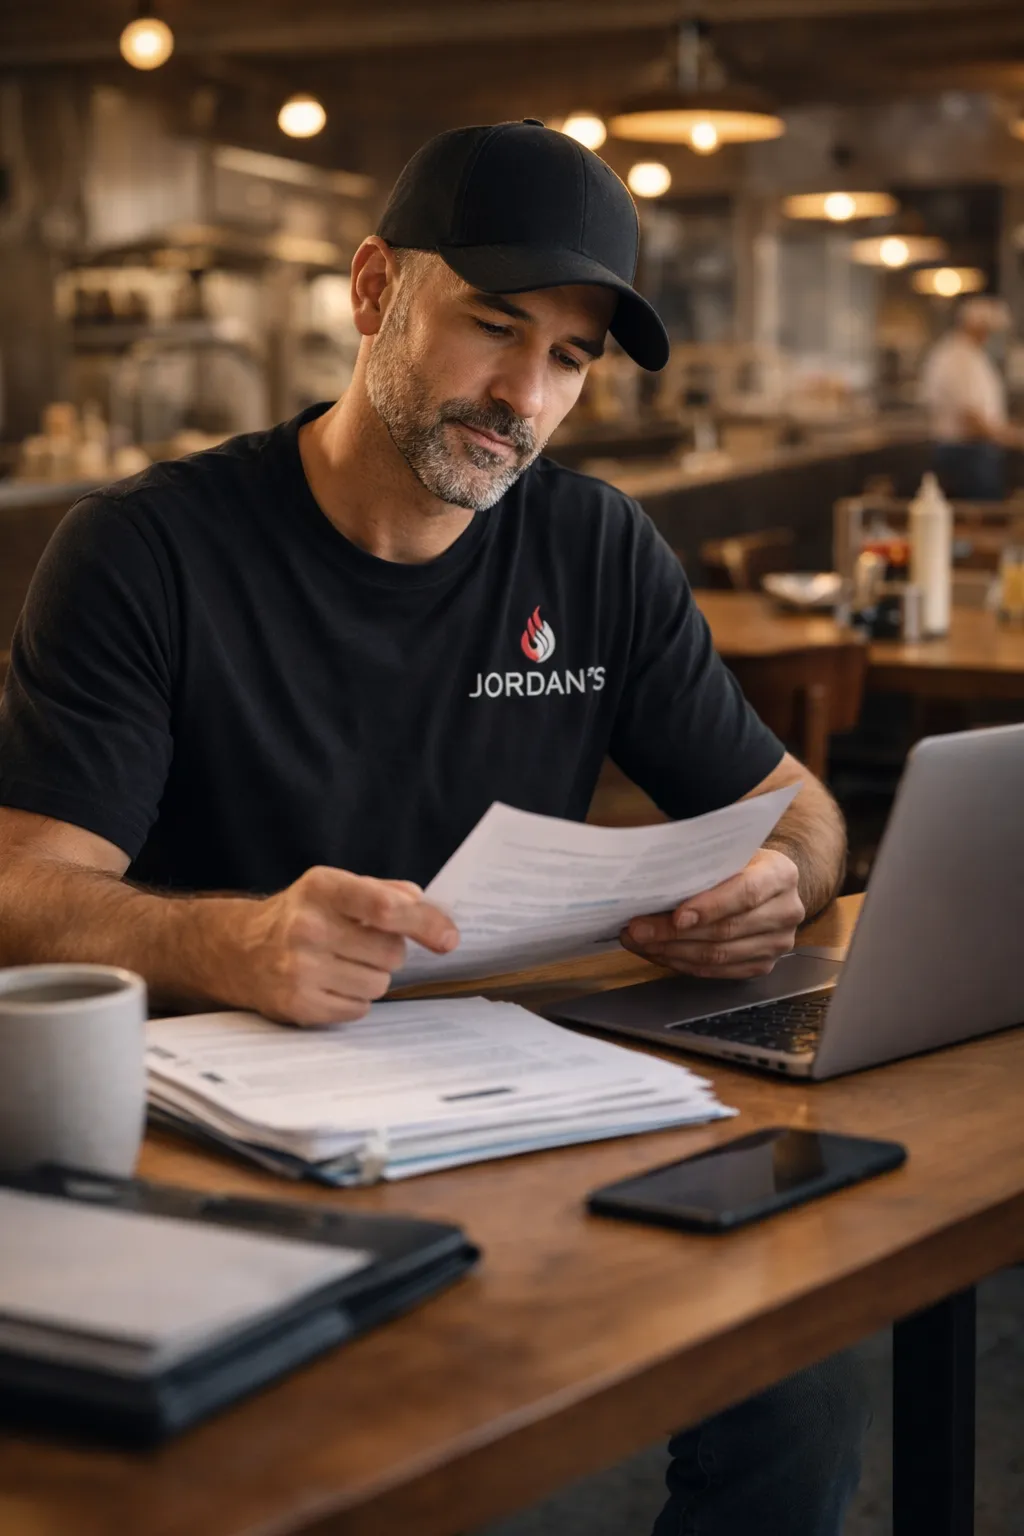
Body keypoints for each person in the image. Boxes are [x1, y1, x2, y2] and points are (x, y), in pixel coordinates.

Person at [0, 121, 863, 1532]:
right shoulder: (146, 552)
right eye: (494, 326)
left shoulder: (593, 547)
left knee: (804, 1353)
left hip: (530, 1098)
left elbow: (801, 809)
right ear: (373, 290)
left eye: (570, 359)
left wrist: (784, 875)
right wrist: (233, 943)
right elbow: (22, 890)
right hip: (238, 1133)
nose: (524, 396)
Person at [920, 294, 1016, 501]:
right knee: (981, 513)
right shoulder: (959, 358)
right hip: (967, 453)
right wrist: (1010, 437)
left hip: (973, 451)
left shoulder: (970, 354)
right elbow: (971, 417)